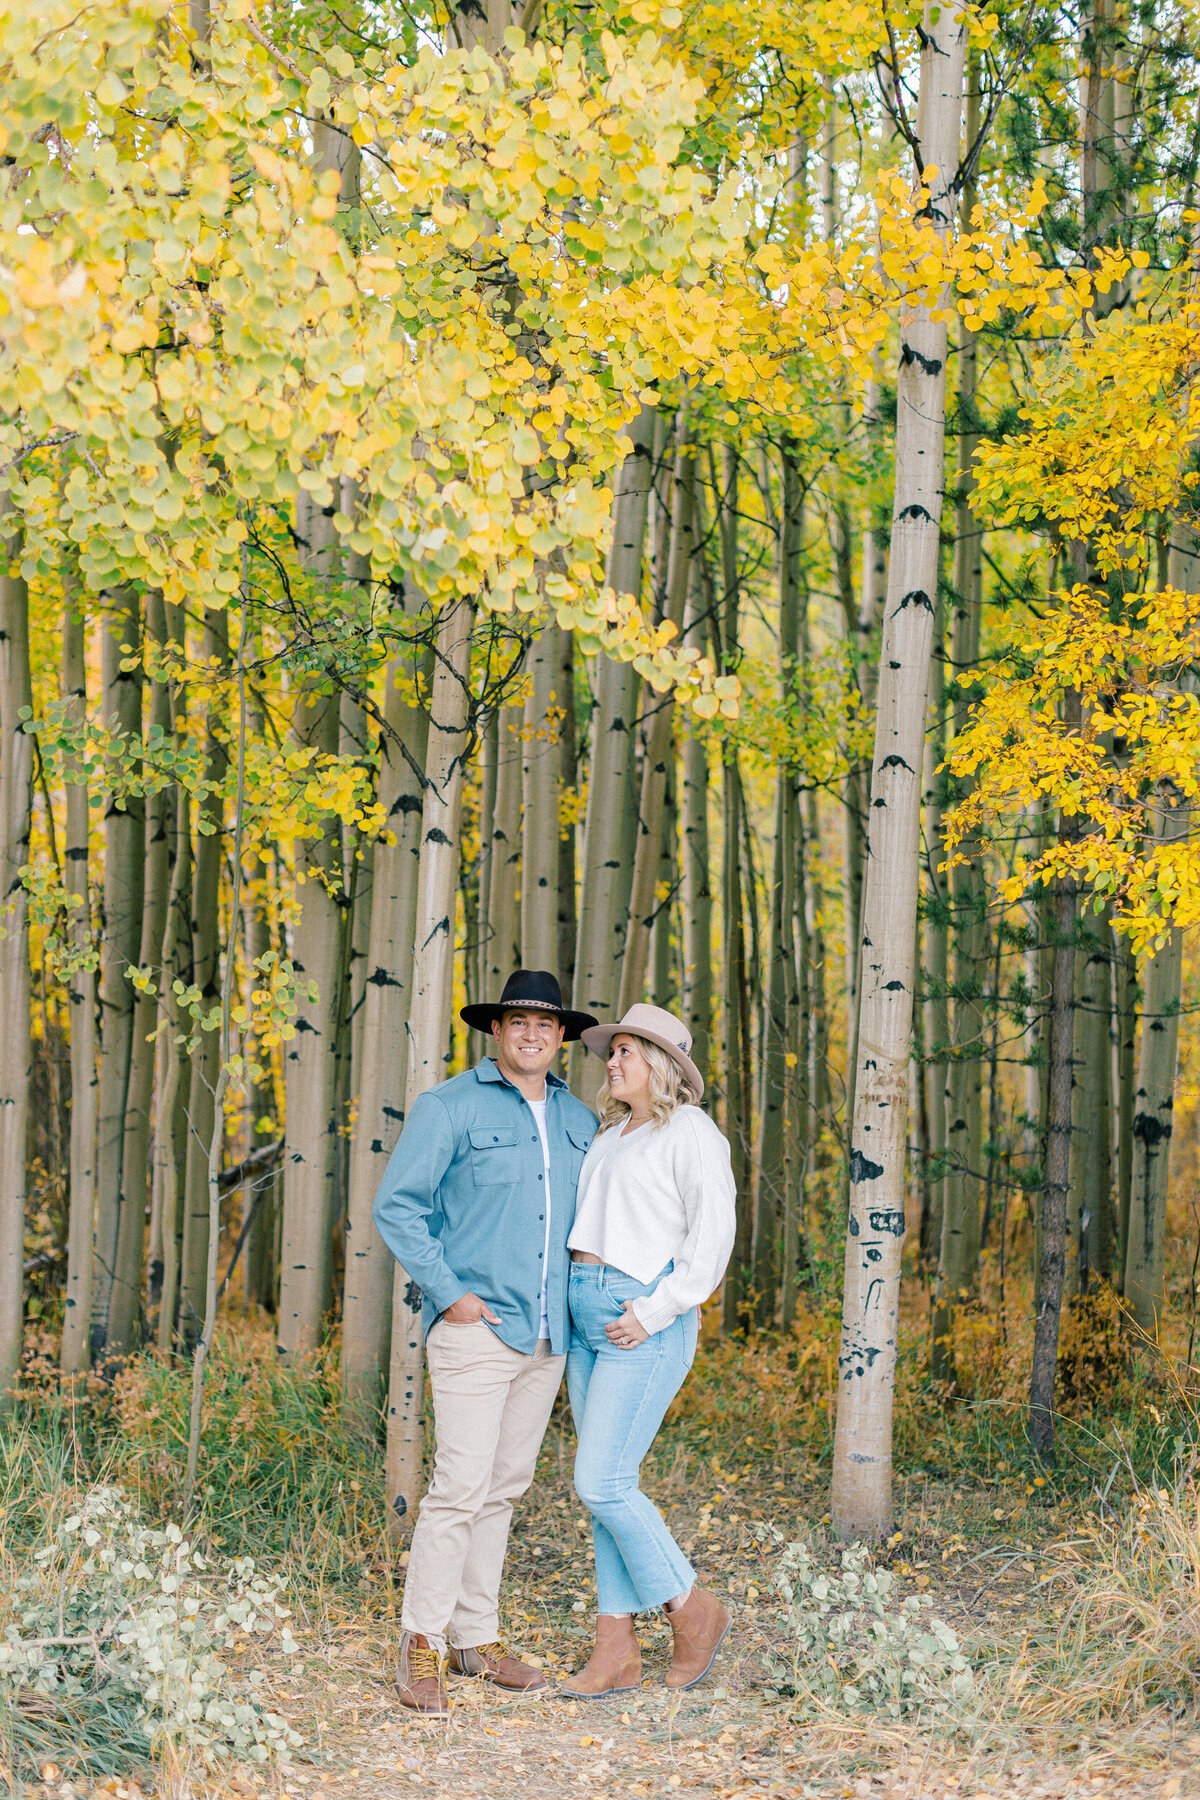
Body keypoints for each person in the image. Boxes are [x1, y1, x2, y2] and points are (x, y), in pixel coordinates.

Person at [372, 969, 598, 1715]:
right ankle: (422, 1645)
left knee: (504, 1489)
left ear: (561, 1035)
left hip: (548, 1335)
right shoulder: (450, 1107)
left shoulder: (580, 1118)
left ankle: (477, 1637)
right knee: (460, 1489)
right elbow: (398, 1208)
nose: (533, 1035)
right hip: (478, 1330)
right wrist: (453, 1296)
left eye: (546, 1024)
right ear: (496, 1031)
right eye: (518, 1022)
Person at [561, 1002, 737, 1698]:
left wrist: (655, 1309)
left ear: (662, 1063)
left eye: (627, 1051)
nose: (612, 1061)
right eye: (613, 1050)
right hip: (584, 1316)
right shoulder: (610, 1134)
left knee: (601, 1482)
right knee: (607, 1491)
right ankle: (616, 1651)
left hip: (639, 1318)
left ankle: (693, 1610)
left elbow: (711, 1235)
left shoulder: (689, 1131)